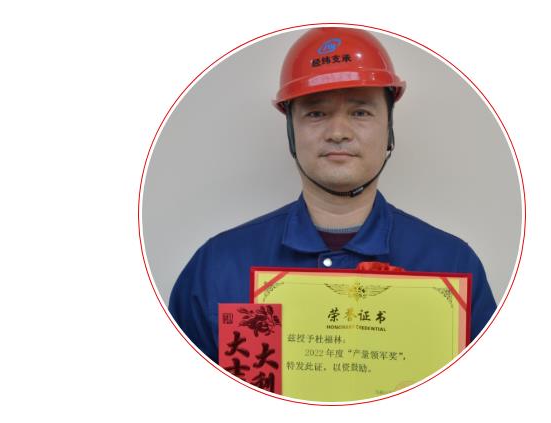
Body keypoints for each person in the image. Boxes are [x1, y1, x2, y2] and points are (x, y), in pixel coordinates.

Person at [169, 28, 497, 363]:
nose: (338, 133)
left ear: (388, 127)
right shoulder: (218, 267)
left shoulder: (452, 266)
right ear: (291, 130)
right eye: (316, 113)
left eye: (360, 112)